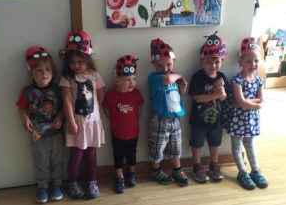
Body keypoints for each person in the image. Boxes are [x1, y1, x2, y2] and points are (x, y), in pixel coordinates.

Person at [59, 30, 106, 199]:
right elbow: (66, 100)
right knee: (76, 156)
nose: (76, 66)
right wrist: (71, 121)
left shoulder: (95, 76)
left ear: (88, 60)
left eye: (80, 62)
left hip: (92, 123)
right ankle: (73, 182)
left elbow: (101, 97)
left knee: (91, 156)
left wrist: (91, 114)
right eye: (72, 62)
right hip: (76, 123)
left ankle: (92, 181)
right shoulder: (67, 78)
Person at [16, 46, 64, 203]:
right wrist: (25, 119)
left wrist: (62, 118)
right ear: (31, 74)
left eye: (48, 70)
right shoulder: (28, 91)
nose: (44, 74)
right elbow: (22, 108)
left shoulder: (58, 90)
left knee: (57, 160)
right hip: (38, 135)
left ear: (53, 72)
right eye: (39, 71)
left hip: (56, 133)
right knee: (41, 162)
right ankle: (42, 187)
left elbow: (65, 107)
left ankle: (57, 184)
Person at [227, 37, 268, 190]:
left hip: (251, 119)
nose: (253, 64)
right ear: (241, 62)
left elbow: (261, 101)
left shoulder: (258, 81)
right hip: (237, 119)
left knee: (250, 145)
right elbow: (243, 102)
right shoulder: (236, 80)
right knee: (237, 146)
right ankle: (242, 172)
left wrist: (248, 103)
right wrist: (253, 103)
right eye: (248, 61)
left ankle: (255, 171)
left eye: (256, 61)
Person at [188, 32, 229, 183]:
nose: (213, 66)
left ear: (222, 61)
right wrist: (215, 94)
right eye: (209, 62)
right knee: (197, 143)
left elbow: (225, 98)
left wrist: (222, 92)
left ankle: (214, 165)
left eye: (217, 62)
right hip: (199, 120)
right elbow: (197, 98)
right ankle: (197, 166)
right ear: (202, 62)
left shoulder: (222, 77)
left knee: (215, 143)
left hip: (216, 120)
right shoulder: (197, 77)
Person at [148, 38, 189, 187]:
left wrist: (182, 89)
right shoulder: (154, 78)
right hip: (160, 120)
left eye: (169, 64)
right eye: (160, 65)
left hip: (175, 120)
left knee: (176, 147)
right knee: (157, 147)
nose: (165, 68)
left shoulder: (171, 79)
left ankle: (177, 169)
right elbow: (166, 79)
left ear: (174, 61)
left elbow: (175, 97)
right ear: (153, 64)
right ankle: (156, 170)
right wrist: (178, 75)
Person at [103, 55, 144, 194]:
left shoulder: (136, 94)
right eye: (127, 79)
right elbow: (106, 109)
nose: (131, 82)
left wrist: (133, 120)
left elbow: (139, 109)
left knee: (132, 153)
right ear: (117, 81)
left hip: (133, 132)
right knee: (118, 155)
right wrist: (114, 120)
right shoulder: (111, 95)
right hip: (117, 133)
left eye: (133, 79)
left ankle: (132, 173)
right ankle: (119, 177)